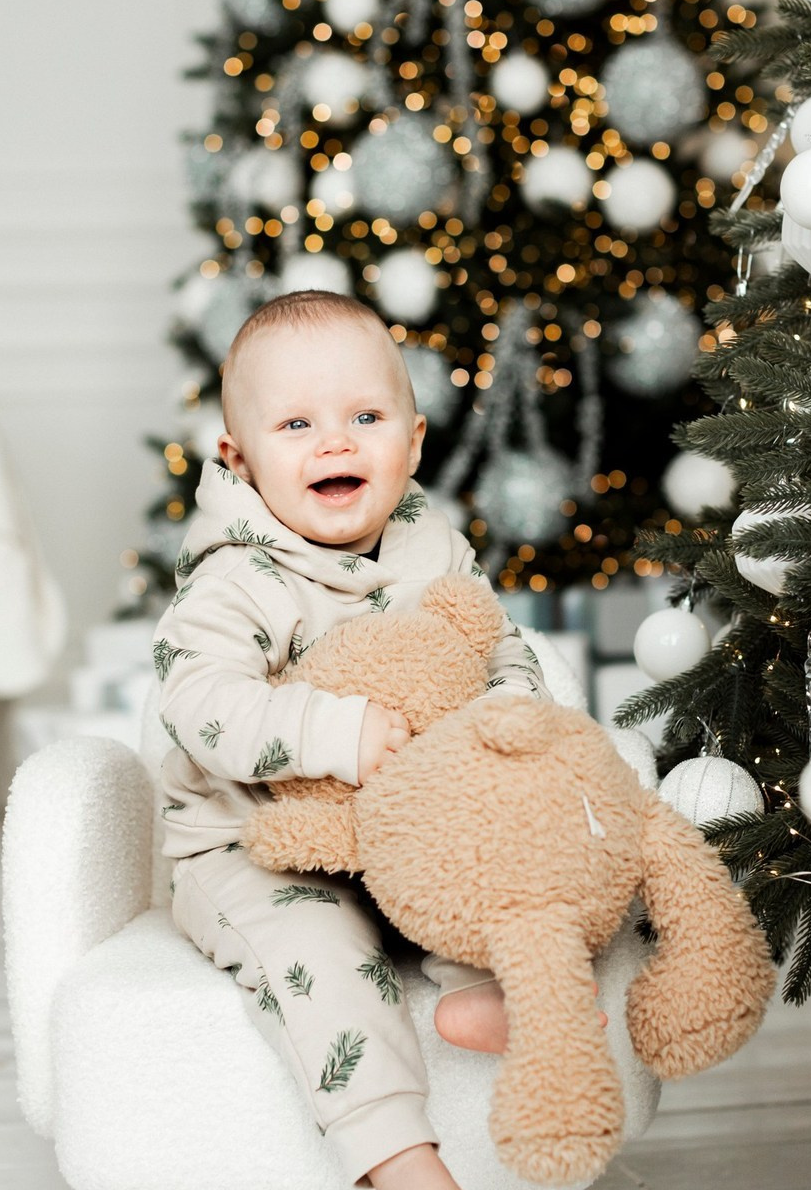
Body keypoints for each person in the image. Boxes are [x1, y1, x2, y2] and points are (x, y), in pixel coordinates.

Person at [153, 290, 550, 1190]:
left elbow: (494, 644)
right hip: (253, 844)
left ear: (411, 442)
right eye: (295, 424)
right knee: (321, 958)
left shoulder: (429, 544)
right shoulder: (236, 578)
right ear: (241, 458)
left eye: (365, 417)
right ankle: (400, 1160)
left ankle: (482, 986)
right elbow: (200, 704)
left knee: (508, 847)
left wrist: (510, 715)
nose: (335, 444)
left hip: (398, 826)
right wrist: (336, 731)